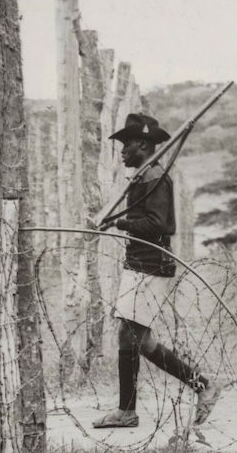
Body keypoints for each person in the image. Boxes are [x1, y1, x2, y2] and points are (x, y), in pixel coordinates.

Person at [92, 113, 221, 428]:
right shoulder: (144, 175)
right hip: (140, 262)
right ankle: (202, 385)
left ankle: (128, 411)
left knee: (129, 337)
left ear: (143, 144)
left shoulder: (155, 177)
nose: (122, 150)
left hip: (150, 265)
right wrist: (116, 221)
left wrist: (119, 223)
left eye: (127, 143)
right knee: (140, 340)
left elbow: (162, 225)